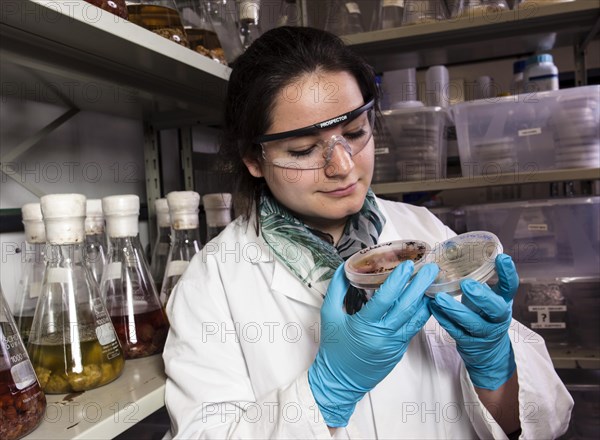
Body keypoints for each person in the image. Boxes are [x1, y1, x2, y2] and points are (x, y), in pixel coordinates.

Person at [162, 26, 573, 439]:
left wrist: (494, 363)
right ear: (254, 157)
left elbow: (545, 420)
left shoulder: (424, 229)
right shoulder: (213, 282)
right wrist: (325, 393)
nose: (342, 165)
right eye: (304, 149)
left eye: (356, 132)